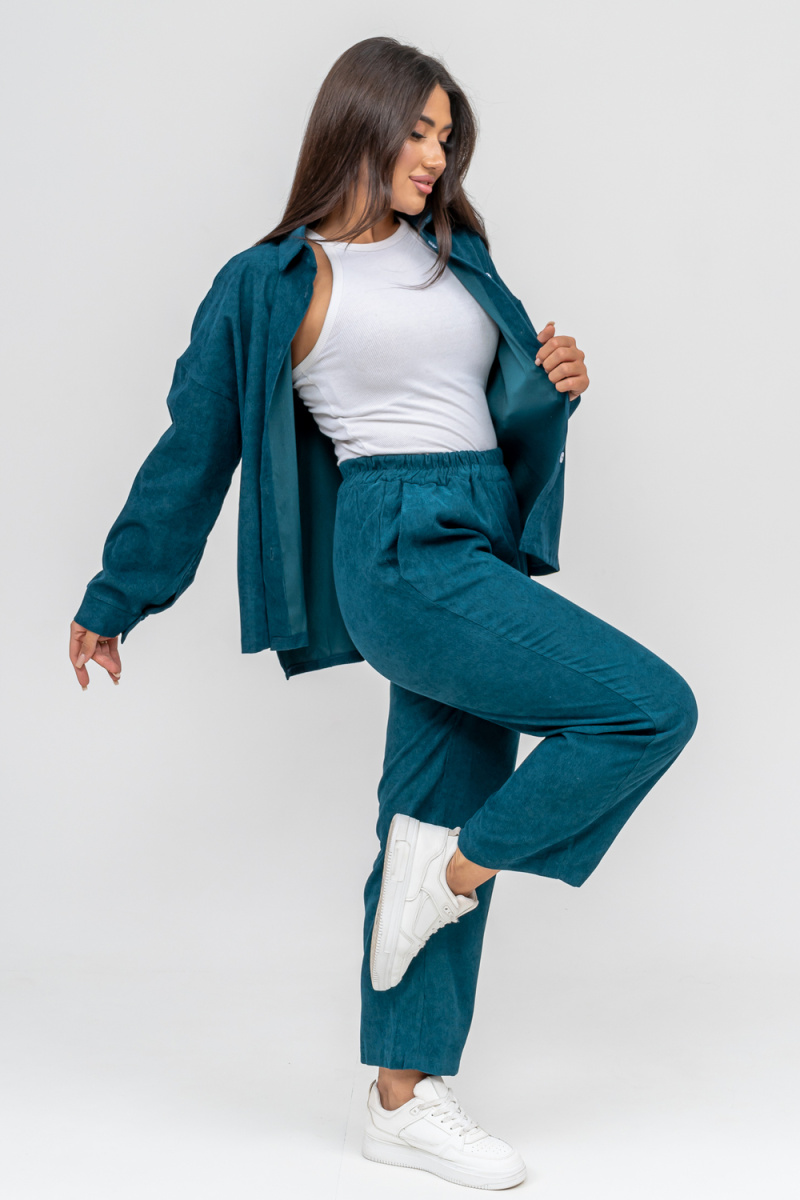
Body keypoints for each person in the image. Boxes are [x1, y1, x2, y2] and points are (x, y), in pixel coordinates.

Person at [69, 36, 698, 1192]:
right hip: (398, 548)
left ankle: (400, 1099)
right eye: (417, 130)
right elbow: (194, 447)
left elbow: (486, 407)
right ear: (357, 122)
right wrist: (119, 594)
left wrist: (551, 385)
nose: (434, 156)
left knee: (430, 804)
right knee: (647, 710)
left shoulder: (454, 253)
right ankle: (450, 875)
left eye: (446, 138)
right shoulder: (272, 280)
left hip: (476, 532)